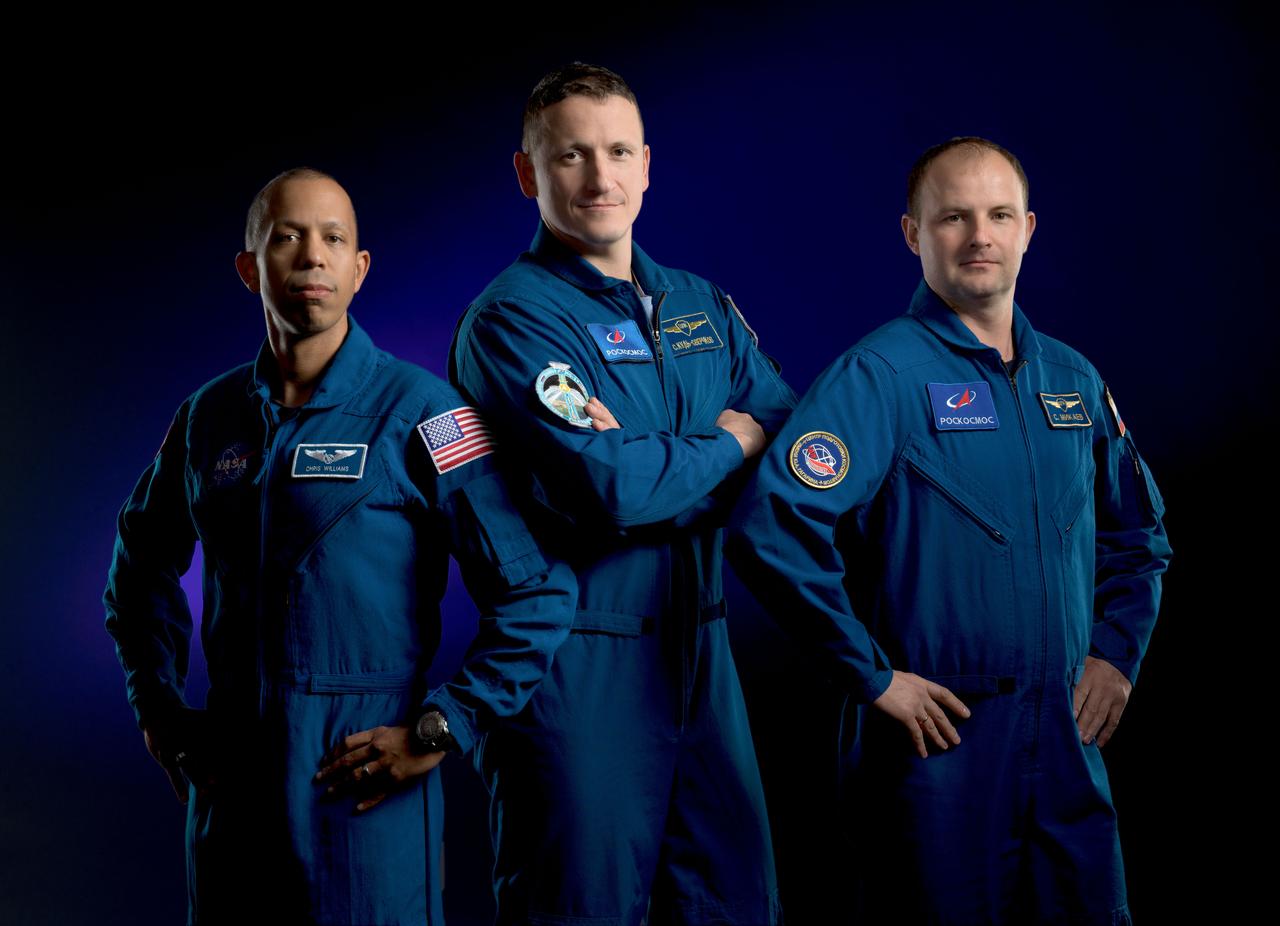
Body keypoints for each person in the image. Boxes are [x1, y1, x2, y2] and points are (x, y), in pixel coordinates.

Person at [103, 168, 576, 925]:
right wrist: (158, 708)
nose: (311, 257)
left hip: (361, 777)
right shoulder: (210, 418)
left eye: (333, 239)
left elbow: (535, 591)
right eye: (287, 238)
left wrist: (441, 725)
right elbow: (139, 567)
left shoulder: (425, 413)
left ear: (359, 269)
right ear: (250, 268)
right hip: (235, 783)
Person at [727, 137, 1172, 925]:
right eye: (955, 217)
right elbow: (772, 527)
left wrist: (1115, 654)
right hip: (940, 754)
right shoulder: (879, 378)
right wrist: (870, 676)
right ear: (914, 233)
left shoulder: (1072, 380)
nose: (980, 236)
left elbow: (1140, 538)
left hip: (1066, 749)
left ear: (1029, 229)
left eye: (1000, 215)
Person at [448, 64, 797, 925]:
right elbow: (614, 491)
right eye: (570, 155)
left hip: (703, 659)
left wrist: (665, 459)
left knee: (736, 903)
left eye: (616, 152)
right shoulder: (513, 320)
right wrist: (727, 437)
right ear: (529, 174)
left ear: (647, 164)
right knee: (579, 905)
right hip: (579, 666)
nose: (599, 178)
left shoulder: (698, 303)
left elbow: (783, 427)